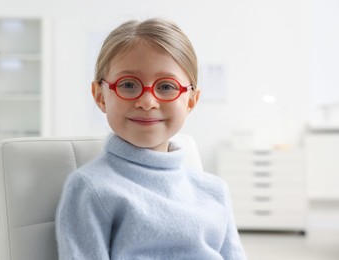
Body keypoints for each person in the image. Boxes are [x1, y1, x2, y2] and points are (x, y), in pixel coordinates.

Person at [56, 18, 247, 260]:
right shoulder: (91, 188)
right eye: (128, 84)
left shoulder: (214, 191)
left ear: (190, 101)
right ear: (100, 96)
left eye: (166, 87)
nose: (147, 102)